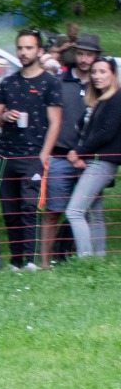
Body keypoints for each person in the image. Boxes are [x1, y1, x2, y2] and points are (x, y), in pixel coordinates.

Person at [0, 30, 63, 271]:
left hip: (33, 154)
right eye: (20, 47)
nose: (23, 52)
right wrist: (4, 115)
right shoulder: (8, 82)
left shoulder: (50, 83)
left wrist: (44, 155)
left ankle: (31, 261)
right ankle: (16, 261)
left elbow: (55, 122)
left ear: (39, 51)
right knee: (9, 209)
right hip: (6, 154)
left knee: (29, 207)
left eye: (29, 48)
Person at [42, 41, 95, 264]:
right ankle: (44, 263)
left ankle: (79, 259)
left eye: (89, 55)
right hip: (60, 154)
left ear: (96, 57)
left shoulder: (102, 82)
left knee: (85, 212)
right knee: (53, 211)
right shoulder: (58, 82)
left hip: (90, 159)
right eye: (80, 54)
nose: (84, 59)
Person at [66, 57, 119, 257]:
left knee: (74, 212)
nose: (97, 76)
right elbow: (83, 130)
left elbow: (106, 132)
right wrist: (79, 152)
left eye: (103, 72)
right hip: (92, 161)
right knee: (94, 214)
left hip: (102, 163)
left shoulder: (116, 98)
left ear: (113, 74)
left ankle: (85, 260)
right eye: (94, 72)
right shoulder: (99, 101)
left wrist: (79, 152)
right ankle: (98, 259)